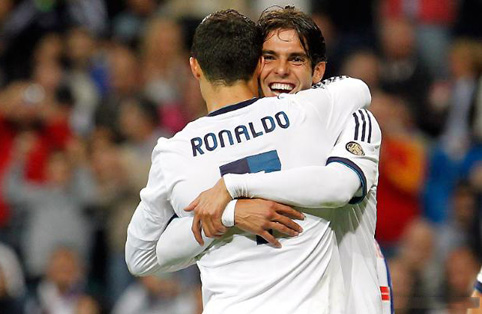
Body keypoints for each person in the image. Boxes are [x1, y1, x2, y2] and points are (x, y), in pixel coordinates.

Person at [126, 9, 380, 313]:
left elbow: (142, 256)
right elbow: (357, 87)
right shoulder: (306, 113)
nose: (281, 70)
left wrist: (230, 193)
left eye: (296, 59)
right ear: (257, 63)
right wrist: (232, 212)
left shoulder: (175, 151)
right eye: (270, 57)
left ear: (194, 68)